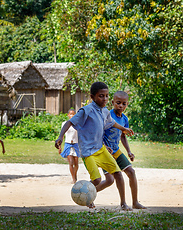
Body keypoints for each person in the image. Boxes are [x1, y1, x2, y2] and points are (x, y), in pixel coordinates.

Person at [55, 82, 134, 210]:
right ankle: (83, 193)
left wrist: (124, 129)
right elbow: (69, 122)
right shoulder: (86, 111)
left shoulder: (104, 111)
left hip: (101, 149)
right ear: (92, 97)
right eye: (101, 96)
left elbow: (112, 123)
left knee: (118, 174)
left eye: (107, 96)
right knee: (97, 180)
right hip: (88, 153)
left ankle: (123, 203)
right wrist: (60, 137)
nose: (105, 99)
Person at [100, 91, 146, 209]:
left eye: (124, 104)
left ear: (127, 104)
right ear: (112, 103)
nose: (121, 106)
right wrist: (105, 146)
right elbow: (99, 133)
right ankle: (90, 191)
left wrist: (129, 151)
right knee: (111, 179)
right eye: (118, 103)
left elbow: (123, 136)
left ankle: (135, 202)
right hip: (105, 152)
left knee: (131, 172)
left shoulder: (124, 119)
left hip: (116, 150)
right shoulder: (107, 116)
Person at [59, 109, 80, 183]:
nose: (72, 115)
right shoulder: (64, 124)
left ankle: (75, 174)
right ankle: (74, 179)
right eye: (71, 114)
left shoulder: (77, 124)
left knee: (76, 163)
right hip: (68, 144)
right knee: (71, 162)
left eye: (73, 114)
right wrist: (59, 146)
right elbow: (62, 135)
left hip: (76, 144)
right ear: (68, 115)